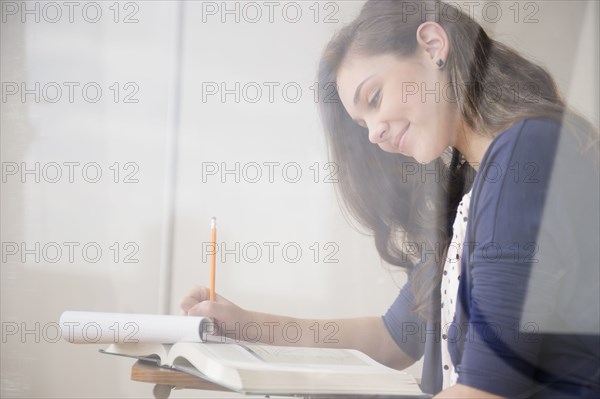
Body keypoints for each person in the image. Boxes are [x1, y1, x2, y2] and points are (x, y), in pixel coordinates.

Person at [180, 1, 600, 397]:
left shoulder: (523, 157)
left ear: (433, 47)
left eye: (374, 99)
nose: (374, 134)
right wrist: (244, 325)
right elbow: (393, 337)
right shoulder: (477, 188)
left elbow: (486, 389)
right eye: (363, 123)